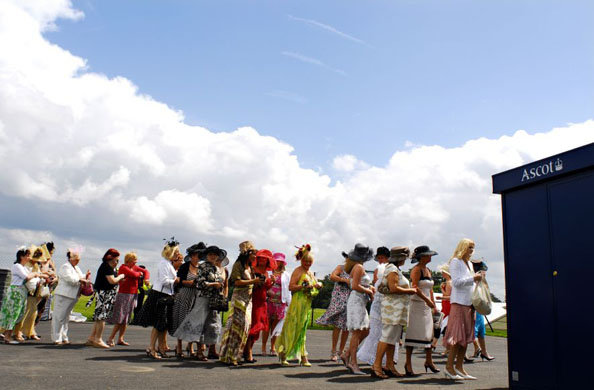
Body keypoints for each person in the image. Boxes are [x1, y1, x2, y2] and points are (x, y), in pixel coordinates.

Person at [173, 245, 227, 360]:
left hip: (214, 299)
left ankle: (211, 350)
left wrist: (219, 286)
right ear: (207, 255)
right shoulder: (202, 267)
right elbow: (199, 283)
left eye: (215, 254)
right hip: (203, 298)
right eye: (211, 254)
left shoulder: (217, 268)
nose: (213, 256)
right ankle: (199, 352)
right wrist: (213, 284)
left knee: (214, 324)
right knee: (199, 323)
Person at [371, 246, 417, 379]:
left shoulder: (396, 269)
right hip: (392, 309)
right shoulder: (392, 269)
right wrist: (410, 291)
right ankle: (376, 365)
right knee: (386, 336)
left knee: (392, 339)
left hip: (397, 309)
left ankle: (389, 366)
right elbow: (393, 288)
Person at [443, 238, 484, 380]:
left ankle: (459, 367)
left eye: (473, 248)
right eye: (469, 247)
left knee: (466, 336)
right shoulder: (456, 262)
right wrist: (473, 279)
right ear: (463, 247)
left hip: (469, 303)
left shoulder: (469, 265)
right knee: (457, 336)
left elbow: (468, 283)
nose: (471, 250)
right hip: (459, 303)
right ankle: (449, 367)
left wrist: (476, 280)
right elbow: (456, 282)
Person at [277, 244, 322, 367]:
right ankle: (284, 353)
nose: (307, 263)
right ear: (301, 260)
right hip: (297, 303)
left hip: (306, 304)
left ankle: (303, 356)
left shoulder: (311, 273)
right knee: (292, 328)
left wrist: (317, 286)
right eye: (305, 261)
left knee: (302, 330)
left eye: (310, 262)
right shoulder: (298, 271)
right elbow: (291, 287)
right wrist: (303, 286)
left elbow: (313, 289)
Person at [219, 241, 261, 366]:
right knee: (237, 327)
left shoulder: (250, 267)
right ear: (247, 254)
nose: (255, 256)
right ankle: (229, 356)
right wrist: (253, 281)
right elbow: (236, 282)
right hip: (239, 299)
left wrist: (258, 281)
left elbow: (252, 283)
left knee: (245, 328)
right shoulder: (238, 265)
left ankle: (236, 355)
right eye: (253, 253)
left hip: (248, 300)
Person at [137, 238, 180, 359]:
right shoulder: (164, 264)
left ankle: (160, 348)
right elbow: (164, 281)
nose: (178, 254)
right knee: (158, 323)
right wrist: (175, 281)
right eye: (176, 252)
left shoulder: (167, 263)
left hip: (165, 294)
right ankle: (152, 347)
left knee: (162, 324)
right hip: (160, 295)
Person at [404, 245, 440, 376]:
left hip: (426, 306)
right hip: (417, 304)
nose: (430, 257)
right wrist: (427, 300)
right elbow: (414, 287)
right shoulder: (416, 269)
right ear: (422, 257)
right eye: (428, 255)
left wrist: (433, 304)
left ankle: (429, 361)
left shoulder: (428, 270)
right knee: (414, 333)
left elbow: (430, 289)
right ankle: (408, 363)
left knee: (428, 334)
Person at [342, 243, 375, 375]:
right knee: (357, 333)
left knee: (366, 330)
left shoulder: (356, 267)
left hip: (359, 301)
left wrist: (369, 288)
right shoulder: (359, 267)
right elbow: (355, 286)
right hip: (356, 301)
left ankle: (347, 354)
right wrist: (369, 291)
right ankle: (353, 363)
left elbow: (356, 283)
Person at [106, 252, 150, 347]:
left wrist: (146, 279)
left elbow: (146, 272)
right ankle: (111, 338)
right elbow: (134, 275)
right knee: (120, 318)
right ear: (128, 261)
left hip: (133, 294)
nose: (135, 263)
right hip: (124, 294)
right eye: (133, 262)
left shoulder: (134, 267)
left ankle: (120, 338)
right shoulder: (123, 268)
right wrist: (140, 274)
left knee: (126, 318)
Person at [357, 246, 390, 367]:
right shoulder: (378, 269)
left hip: (386, 303)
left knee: (377, 332)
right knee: (373, 331)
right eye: (379, 258)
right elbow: (377, 286)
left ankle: (379, 357)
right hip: (379, 301)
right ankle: (353, 352)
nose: (380, 260)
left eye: (382, 258)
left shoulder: (391, 268)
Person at [1, 248, 41, 344]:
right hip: (16, 292)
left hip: (21, 292)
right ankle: (7, 336)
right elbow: (27, 277)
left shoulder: (23, 267)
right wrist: (36, 274)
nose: (29, 257)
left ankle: (7, 334)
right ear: (21, 256)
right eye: (27, 255)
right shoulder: (17, 266)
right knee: (13, 313)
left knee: (19, 314)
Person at [314, 255, 351, 362]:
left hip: (350, 300)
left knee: (347, 327)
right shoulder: (341, 267)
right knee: (338, 325)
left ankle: (341, 350)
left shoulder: (356, 270)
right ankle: (334, 351)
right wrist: (344, 280)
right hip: (339, 300)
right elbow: (332, 276)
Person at [86, 248, 124, 348]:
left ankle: (91, 338)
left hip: (107, 294)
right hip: (104, 295)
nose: (117, 263)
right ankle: (98, 339)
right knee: (101, 318)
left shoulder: (110, 268)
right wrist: (120, 277)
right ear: (110, 259)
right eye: (116, 260)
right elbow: (112, 281)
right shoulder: (106, 267)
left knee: (100, 317)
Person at [169, 244, 203, 357]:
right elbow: (179, 281)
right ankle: (178, 346)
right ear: (192, 255)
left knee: (192, 322)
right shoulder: (185, 266)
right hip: (184, 296)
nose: (198, 257)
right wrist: (192, 283)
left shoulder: (201, 268)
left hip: (196, 297)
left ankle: (190, 346)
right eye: (197, 255)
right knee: (181, 320)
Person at [51, 249, 91, 345]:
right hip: (63, 295)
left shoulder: (76, 268)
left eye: (78, 259)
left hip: (72, 295)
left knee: (66, 317)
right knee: (59, 316)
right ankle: (56, 338)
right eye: (76, 259)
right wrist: (81, 279)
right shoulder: (65, 267)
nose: (78, 261)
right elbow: (70, 279)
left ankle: (64, 336)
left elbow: (80, 276)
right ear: (70, 258)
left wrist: (86, 276)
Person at [243, 249, 275, 362]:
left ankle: (247, 350)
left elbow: (266, 289)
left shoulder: (266, 272)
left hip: (262, 302)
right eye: (260, 258)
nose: (262, 260)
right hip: (253, 300)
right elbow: (252, 285)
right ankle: (248, 352)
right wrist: (257, 282)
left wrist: (272, 283)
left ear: (268, 261)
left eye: (264, 259)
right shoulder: (253, 269)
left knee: (258, 328)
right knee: (253, 326)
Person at [13, 246, 50, 341]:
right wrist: (39, 276)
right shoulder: (26, 266)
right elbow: (27, 278)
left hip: (34, 291)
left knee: (33, 313)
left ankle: (30, 331)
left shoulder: (35, 266)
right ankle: (18, 332)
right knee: (25, 313)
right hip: (28, 291)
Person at [261, 252, 290, 356]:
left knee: (276, 327)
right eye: (276, 260)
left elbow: (288, 290)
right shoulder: (268, 273)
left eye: (280, 261)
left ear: (283, 263)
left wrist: (288, 302)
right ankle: (263, 346)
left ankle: (273, 346)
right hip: (268, 302)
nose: (278, 263)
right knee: (266, 326)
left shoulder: (286, 275)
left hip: (280, 303)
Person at [469, 258, 494, 361]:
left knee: (480, 331)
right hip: (474, 307)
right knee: (473, 331)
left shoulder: (480, 281)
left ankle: (483, 351)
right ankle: (477, 349)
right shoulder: (473, 280)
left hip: (478, 308)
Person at [36, 241, 57, 323]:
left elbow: (55, 273)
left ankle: (33, 329)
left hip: (48, 288)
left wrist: (55, 278)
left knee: (41, 308)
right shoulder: (39, 262)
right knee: (34, 308)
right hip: (39, 286)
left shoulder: (52, 262)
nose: (51, 254)